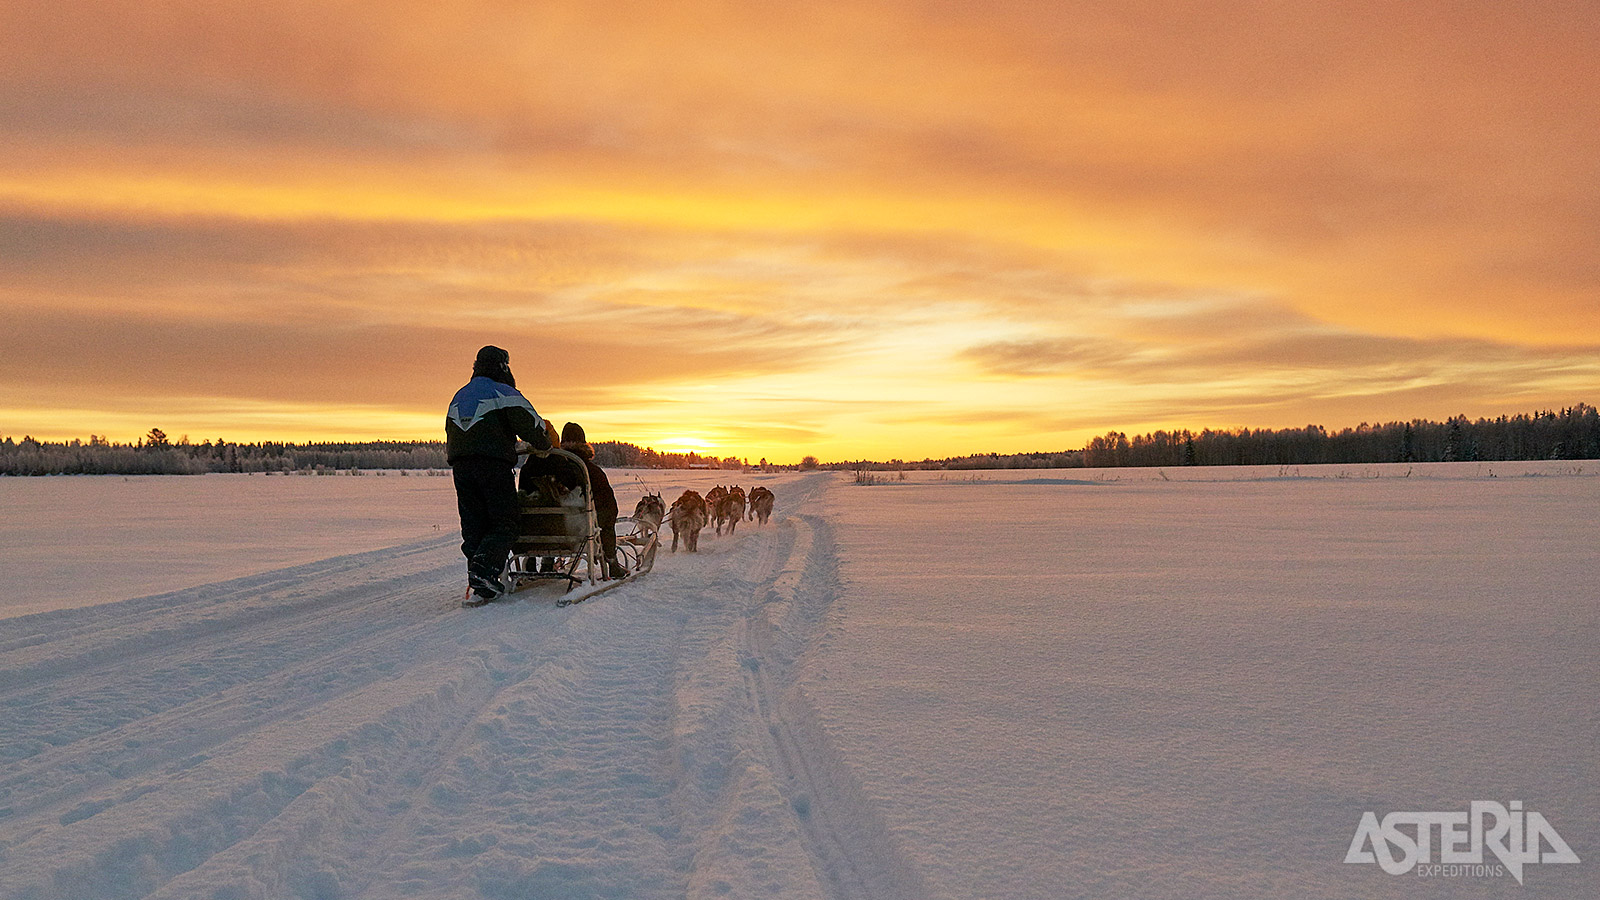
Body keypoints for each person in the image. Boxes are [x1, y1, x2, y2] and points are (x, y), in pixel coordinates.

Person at [446, 345, 550, 601]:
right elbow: (534, 426)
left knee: (473, 523)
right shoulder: (504, 392)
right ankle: (484, 570)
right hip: (493, 465)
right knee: (506, 523)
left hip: (460, 467)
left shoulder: (459, 396)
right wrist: (543, 444)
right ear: (503, 367)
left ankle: (481, 577)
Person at [557, 422, 626, 579]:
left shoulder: (552, 467)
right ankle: (612, 562)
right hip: (582, 530)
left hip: (553, 530)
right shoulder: (590, 471)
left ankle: (547, 562)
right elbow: (610, 509)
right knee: (607, 518)